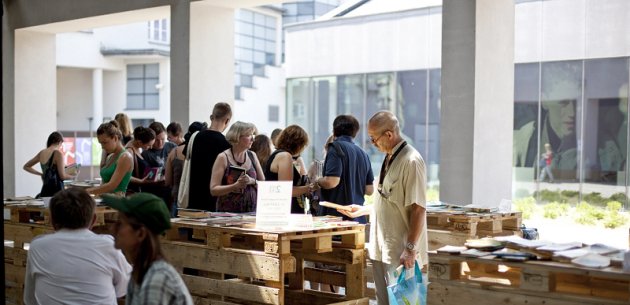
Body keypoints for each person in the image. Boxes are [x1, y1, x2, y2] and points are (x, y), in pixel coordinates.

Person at [338, 111, 427, 305]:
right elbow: (388, 200)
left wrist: (410, 249)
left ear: (389, 135)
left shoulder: (411, 160)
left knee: (404, 302)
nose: (372, 143)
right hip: (381, 246)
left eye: (373, 139)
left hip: (400, 250)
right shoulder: (389, 157)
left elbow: (419, 209)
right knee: (382, 300)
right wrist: (361, 209)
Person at [24, 188, 131, 305]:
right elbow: (123, 289)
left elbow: (30, 299)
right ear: (94, 220)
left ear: (52, 221)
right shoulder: (107, 245)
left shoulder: (38, 247)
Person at [102, 192, 193, 305]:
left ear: (140, 234)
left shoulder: (156, 280)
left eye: (120, 223)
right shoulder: (139, 273)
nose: (112, 228)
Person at [316, 115, 374, 223]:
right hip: (358, 219)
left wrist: (317, 180)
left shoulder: (335, 148)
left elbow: (331, 182)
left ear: (334, 130)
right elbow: (369, 190)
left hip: (335, 220)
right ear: (355, 133)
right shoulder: (364, 154)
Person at [210, 121, 265, 213]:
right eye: (249, 135)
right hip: (227, 214)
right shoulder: (223, 157)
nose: (253, 139)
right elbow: (214, 190)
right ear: (237, 137)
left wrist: (252, 181)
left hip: (252, 212)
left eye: (253, 135)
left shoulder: (252, 155)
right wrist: (234, 186)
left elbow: (264, 185)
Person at [187, 102, 232, 211]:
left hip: (193, 195)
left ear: (212, 117)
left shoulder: (195, 137)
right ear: (227, 121)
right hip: (214, 198)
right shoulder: (226, 143)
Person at [264, 125, 316, 214]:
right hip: (286, 210)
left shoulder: (277, 155)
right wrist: (310, 188)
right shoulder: (285, 156)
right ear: (297, 144)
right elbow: (287, 190)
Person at [165, 121, 207, 215]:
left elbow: (167, 181)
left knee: (178, 228)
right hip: (200, 199)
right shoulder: (205, 153)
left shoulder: (174, 152)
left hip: (179, 198)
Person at [87, 121, 133, 196]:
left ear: (115, 138)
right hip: (105, 199)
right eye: (101, 143)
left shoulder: (125, 157)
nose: (102, 147)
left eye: (105, 142)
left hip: (116, 201)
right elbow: (104, 184)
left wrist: (87, 191)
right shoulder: (110, 157)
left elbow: (112, 185)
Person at [23, 131, 77, 197]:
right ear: (60, 142)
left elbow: (26, 166)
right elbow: (62, 176)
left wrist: (41, 174)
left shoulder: (42, 153)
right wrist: (73, 177)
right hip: (57, 191)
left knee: (47, 207)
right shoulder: (58, 154)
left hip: (45, 190)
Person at [142, 122, 177, 203]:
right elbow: (147, 176)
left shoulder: (172, 147)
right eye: (157, 140)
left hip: (172, 191)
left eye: (163, 139)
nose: (160, 143)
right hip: (155, 193)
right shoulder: (146, 153)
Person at [126, 126, 156, 194]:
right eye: (149, 145)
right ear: (139, 142)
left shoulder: (138, 147)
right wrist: (141, 181)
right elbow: (124, 176)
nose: (151, 147)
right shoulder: (129, 152)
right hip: (132, 192)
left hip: (137, 190)